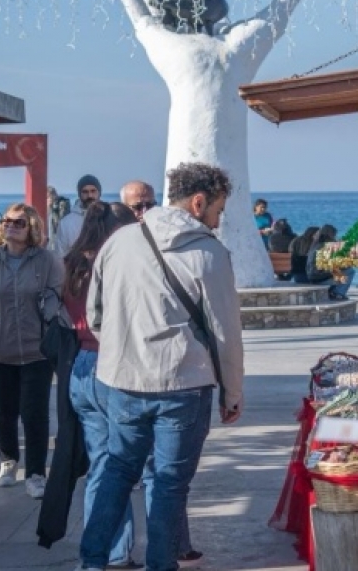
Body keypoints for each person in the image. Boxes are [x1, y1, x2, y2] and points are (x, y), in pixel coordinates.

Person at [79, 162, 245, 571]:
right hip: (183, 385)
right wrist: (232, 393)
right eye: (218, 210)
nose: (219, 220)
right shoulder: (209, 253)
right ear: (199, 202)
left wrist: (126, 350)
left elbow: (95, 315)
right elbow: (226, 333)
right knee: (169, 485)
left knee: (116, 472)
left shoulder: (119, 243)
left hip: (123, 380)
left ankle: (91, 562)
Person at [51, 202, 141, 566]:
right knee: (119, 465)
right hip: (110, 361)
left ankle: (99, 546)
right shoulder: (114, 264)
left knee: (101, 464)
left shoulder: (72, 263)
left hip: (80, 365)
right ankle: (115, 550)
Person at [119, 178, 202, 566]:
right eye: (136, 206)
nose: (143, 212)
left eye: (149, 204)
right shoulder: (118, 251)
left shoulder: (171, 246)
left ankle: (172, 549)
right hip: (130, 379)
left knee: (166, 476)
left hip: (169, 375)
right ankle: (117, 554)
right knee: (137, 473)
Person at [0, 203, 64, 499]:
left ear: (32, 228)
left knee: (35, 414)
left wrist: (49, 324)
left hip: (37, 352)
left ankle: (36, 473)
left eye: (19, 223)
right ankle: (8, 461)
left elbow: (57, 295)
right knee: (3, 410)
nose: (11, 226)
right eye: (7, 221)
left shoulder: (47, 261)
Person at [54, 175, 102, 256]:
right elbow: (60, 254)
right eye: (85, 192)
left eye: (93, 191)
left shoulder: (110, 217)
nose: (90, 196)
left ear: (99, 193)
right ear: (79, 194)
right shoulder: (66, 223)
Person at [306, 225, 353, 301]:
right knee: (350, 271)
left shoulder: (316, 244)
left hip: (312, 276)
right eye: (334, 235)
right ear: (330, 235)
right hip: (319, 279)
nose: (335, 237)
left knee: (342, 271)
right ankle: (338, 293)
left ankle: (333, 291)